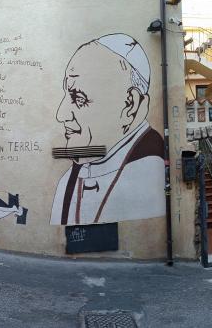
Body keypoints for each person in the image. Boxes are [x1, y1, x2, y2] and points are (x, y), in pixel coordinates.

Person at [50, 33, 165, 226]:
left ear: (130, 105)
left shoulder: (150, 175)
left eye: (78, 98)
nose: (61, 114)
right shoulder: (67, 182)